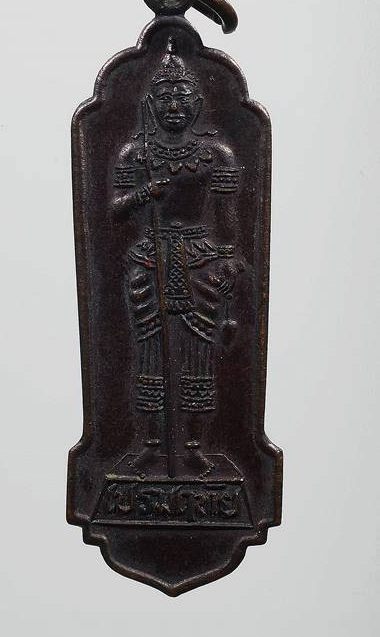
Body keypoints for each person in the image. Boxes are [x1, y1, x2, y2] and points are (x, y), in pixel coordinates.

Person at [112, 37, 244, 476]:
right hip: (150, 258)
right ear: (150, 104)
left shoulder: (216, 154)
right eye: (165, 97)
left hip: (199, 259)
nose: (173, 106)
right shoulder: (136, 153)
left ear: (196, 104)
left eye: (182, 97)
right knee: (149, 352)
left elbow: (228, 224)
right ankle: (151, 444)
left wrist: (228, 263)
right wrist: (144, 193)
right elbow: (115, 212)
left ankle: (193, 446)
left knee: (198, 353)